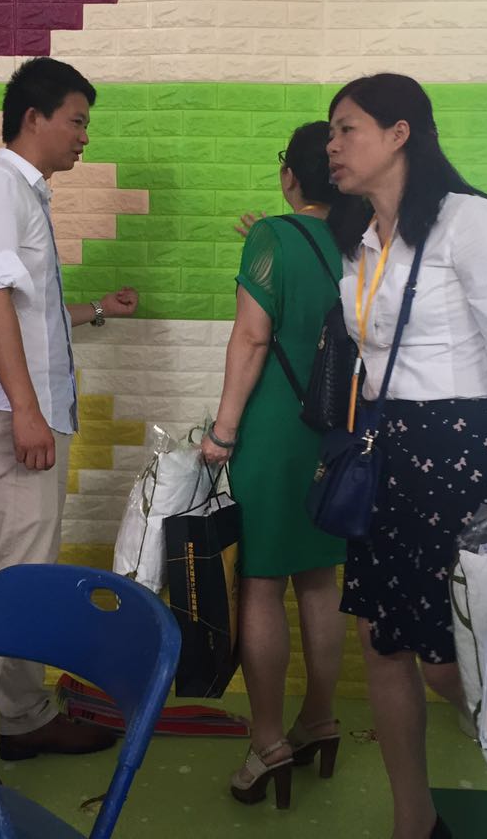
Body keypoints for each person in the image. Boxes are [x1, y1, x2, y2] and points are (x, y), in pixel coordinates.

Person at [325, 73, 487, 839]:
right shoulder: (362, 236)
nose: (333, 146)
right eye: (330, 133)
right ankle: (415, 821)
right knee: (382, 641)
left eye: (347, 129)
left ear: (400, 134)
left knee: (457, 658)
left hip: (460, 452)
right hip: (386, 452)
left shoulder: (468, 221)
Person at [0, 57, 139, 758]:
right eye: (77, 121)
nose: (85, 136)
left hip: (27, 413)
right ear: (35, 118)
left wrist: (95, 310)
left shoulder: (22, 195)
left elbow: (29, 312)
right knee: (5, 586)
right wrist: (25, 410)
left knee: (24, 578)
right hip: (11, 417)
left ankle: (24, 718)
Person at [199, 122, 354, 810]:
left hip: (271, 432)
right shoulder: (360, 240)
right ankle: (319, 718)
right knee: (319, 580)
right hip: (333, 435)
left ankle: (267, 741)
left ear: (290, 175)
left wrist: (222, 431)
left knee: (260, 584)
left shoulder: (272, 237)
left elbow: (253, 338)